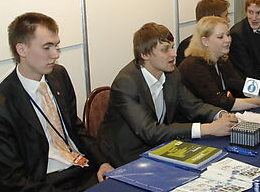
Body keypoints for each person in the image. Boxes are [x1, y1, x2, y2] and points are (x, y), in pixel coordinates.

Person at [0, 12, 114, 192]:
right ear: (22, 49)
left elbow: (75, 128)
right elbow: (12, 182)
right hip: (43, 185)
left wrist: (103, 162)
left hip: (82, 170)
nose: (55, 55)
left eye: (56, 46)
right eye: (47, 47)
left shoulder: (58, 76)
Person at [97, 22, 238, 166]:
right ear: (144, 54)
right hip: (127, 155)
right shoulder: (126, 83)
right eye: (165, 50)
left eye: (172, 47)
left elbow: (193, 106)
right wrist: (208, 129)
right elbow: (150, 131)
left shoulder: (172, 73)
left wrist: (220, 115)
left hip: (161, 146)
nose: (174, 53)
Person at [179, 16, 260, 111]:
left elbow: (240, 85)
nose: (228, 40)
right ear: (205, 41)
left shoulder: (222, 60)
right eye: (221, 37)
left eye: (228, 35)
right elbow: (218, 102)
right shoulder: (194, 66)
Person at [176, 0, 230, 66]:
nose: (228, 20)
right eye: (226, 16)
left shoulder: (221, 48)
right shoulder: (186, 47)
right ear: (214, 18)